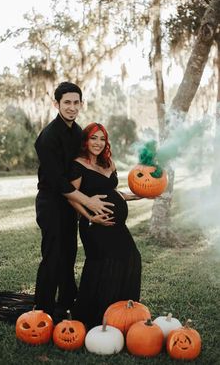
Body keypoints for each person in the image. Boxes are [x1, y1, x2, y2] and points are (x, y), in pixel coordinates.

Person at [34, 82, 114, 322]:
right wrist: (88, 202)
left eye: (75, 102)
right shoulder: (47, 138)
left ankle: (66, 306)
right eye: (66, 102)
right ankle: (43, 311)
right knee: (53, 256)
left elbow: (86, 167)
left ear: (81, 104)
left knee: (69, 255)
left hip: (71, 204)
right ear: (56, 104)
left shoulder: (79, 133)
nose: (71, 107)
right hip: (51, 203)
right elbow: (59, 182)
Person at [68, 122, 142, 329]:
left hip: (117, 227)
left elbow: (116, 194)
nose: (98, 143)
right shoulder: (78, 164)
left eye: (102, 139)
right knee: (104, 266)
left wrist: (142, 194)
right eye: (94, 138)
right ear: (86, 140)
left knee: (131, 259)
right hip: (95, 227)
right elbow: (72, 197)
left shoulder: (108, 163)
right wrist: (91, 218)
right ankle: (94, 316)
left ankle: (122, 314)